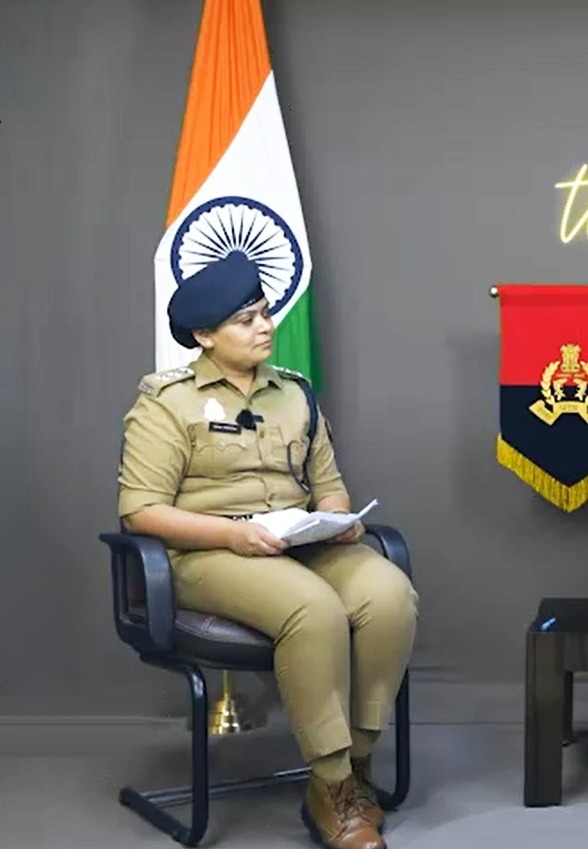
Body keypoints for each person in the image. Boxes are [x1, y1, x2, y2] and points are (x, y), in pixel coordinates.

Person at [117, 254, 419, 849]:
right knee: (314, 608)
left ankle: (352, 766)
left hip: (298, 542)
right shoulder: (167, 403)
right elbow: (140, 511)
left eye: (263, 313)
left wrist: (337, 519)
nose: (264, 326)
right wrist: (233, 534)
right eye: (245, 320)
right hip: (209, 554)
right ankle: (333, 785)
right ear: (205, 335)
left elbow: (328, 483)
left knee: (390, 594)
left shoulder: (296, 393)